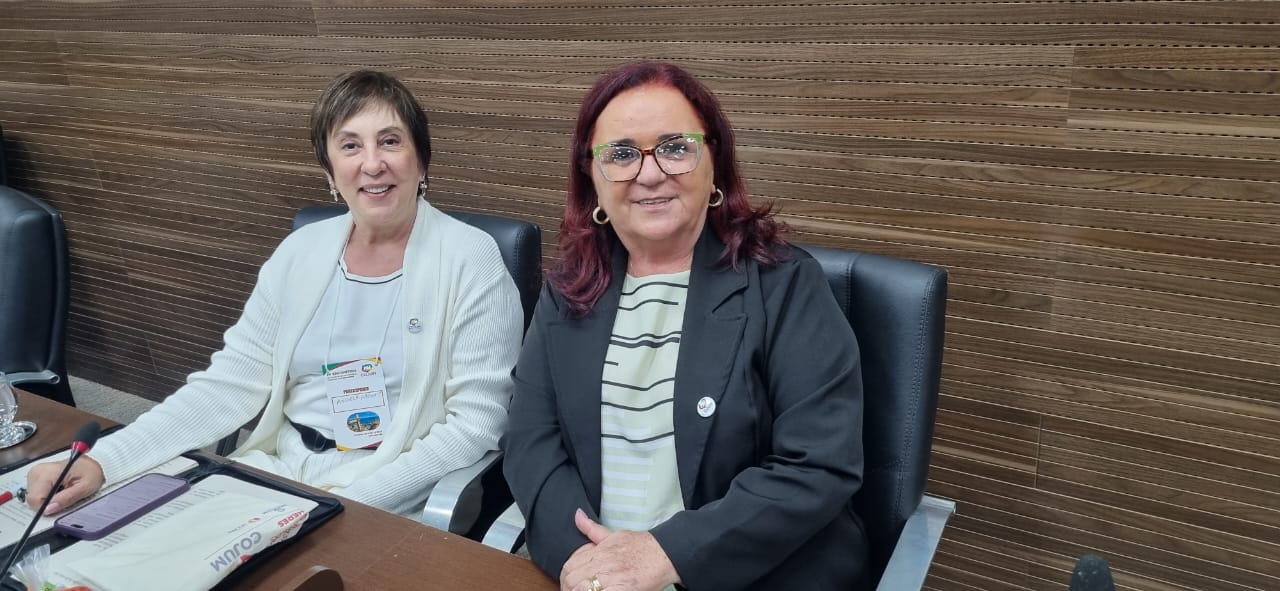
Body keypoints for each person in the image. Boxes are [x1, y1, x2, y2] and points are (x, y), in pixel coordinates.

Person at [27, 70, 523, 518]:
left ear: (421, 160)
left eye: (390, 141)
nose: (372, 163)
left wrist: (342, 504)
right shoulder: (300, 251)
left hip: (389, 492)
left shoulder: (470, 259)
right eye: (349, 146)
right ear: (330, 172)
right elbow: (228, 384)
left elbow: (475, 424)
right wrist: (106, 461)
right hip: (275, 469)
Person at [502, 61, 868, 591]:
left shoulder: (785, 284)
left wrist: (666, 554)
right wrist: (585, 564)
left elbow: (818, 465)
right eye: (622, 154)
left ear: (714, 161)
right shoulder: (568, 288)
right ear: (592, 176)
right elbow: (530, 440)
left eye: (675, 147)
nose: (650, 173)